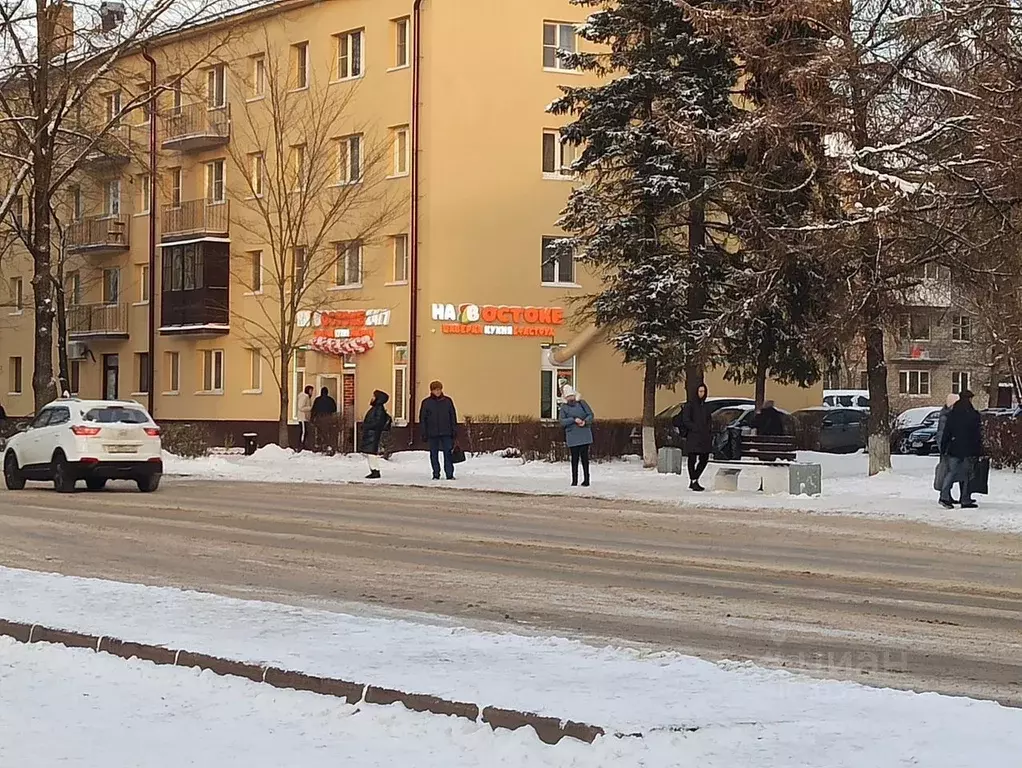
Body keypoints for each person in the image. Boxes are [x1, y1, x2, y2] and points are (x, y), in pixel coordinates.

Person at [939, 389, 983, 509]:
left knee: (951, 473)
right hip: (968, 448)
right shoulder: (973, 414)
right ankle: (965, 499)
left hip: (953, 448)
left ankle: (944, 496)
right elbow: (977, 434)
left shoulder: (953, 414)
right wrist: (979, 449)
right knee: (967, 475)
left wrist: (943, 447)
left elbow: (946, 432)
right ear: (969, 399)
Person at [419, 380, 458, 480]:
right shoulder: (426, 403)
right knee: (434, 454)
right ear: (431, 391)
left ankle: (449, 474)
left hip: (446, 431)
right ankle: (436, 473)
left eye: (439, 389)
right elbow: (423, 419)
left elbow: (452, 416)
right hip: (432, 432)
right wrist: (424, 432)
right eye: (435, 390)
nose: (438, 391)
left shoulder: (448, 401)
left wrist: (454, 430)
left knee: (448, 453)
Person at [558, 385, 594, 487]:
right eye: (568, 397)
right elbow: (562, 421)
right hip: (572, 437)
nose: (571, 399)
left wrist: (585, 421)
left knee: (585, 459)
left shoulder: (582, 403)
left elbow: (590, 414)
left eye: (572, 396)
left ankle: (586, 480)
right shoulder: (564, 408)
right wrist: (573, 419)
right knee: (574, 459)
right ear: (565, 398)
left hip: (584, 435)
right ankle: (574, 480)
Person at [681, 383, 713, 492]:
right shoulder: (690, 405)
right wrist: (695, 428)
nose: (702, 394)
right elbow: (686, 420)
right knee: (692, 459)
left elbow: (709, 420)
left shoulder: (706, 406)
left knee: (704, 459)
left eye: (703, 391)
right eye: (700, 391)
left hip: (704, 437)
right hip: (693, 436)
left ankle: (695, 478)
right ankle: (693, 480)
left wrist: (708, 429)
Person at [361, 390, 392, 479]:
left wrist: (366, 426)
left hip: (373, 434)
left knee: (371, 453)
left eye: (374, 397)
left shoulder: (378, 409)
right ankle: (374, 470)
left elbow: (378, 423)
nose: (372, 398)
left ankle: (375, 470)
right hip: (371, 434)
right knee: (370, 453)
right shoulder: (376, 408)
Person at [934, 393, 959, 501]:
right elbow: (941, 434)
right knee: (949, 472)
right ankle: (945, 495)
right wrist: (943, 449)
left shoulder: (946, 414)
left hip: (947, 448)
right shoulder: (947, 416)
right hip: (947, 449)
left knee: (950, 472)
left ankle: (947, 494)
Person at [296, 385, 314, 451]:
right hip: (302, 417)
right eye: (311, 391)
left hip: (305, 418)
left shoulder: (308, 398)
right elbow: (300, 407)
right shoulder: (304, 397)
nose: (312, 392)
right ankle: (301, 445)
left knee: (305, 432)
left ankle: (303, 444)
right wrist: (310, 408)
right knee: (303, 432)